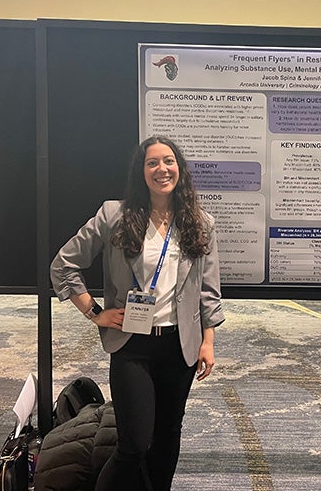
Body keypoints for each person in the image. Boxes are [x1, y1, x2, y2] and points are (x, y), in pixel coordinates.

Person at [50, 135, 224, 491]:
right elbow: (64, 265)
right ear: (141, 171)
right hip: (133, 345)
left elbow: (208, 291)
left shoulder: (200, 222)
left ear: (180, 169)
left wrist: (208, 341)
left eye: (169, 161)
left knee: (167, 437)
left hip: (180, 347)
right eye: (152, 162)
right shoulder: (114, 215)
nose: (162, 169)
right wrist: (95, 312)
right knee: (135, 444)